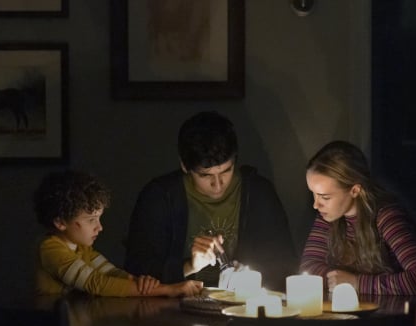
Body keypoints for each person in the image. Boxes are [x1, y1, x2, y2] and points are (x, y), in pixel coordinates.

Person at [124, 111, 297, 291]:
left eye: (225, 171)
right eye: (205, 175)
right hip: (174, 308)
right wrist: (189, 266)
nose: (217, 184)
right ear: (184, 166)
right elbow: (137, 269)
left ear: (235, 161)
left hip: (245, 307)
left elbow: (285, 264)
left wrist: (251, 275)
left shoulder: (258, 193)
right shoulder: (160, 196)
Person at [33, 170, 203, 297]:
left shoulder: (82, 249)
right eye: (91, 220)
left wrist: (142, 283)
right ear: (60, 222)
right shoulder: (50, 249)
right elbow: (97, 283)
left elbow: (111, 273)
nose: (99, 227)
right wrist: (168, 289)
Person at [300, 140, 416, 295]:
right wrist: (339, 279)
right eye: (313, 194)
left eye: (325, 197)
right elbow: (309, 266)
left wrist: (356, 282)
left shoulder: (386, 218)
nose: (316, 205)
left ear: (355, 190)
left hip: (390, 315)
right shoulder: (328, 216)